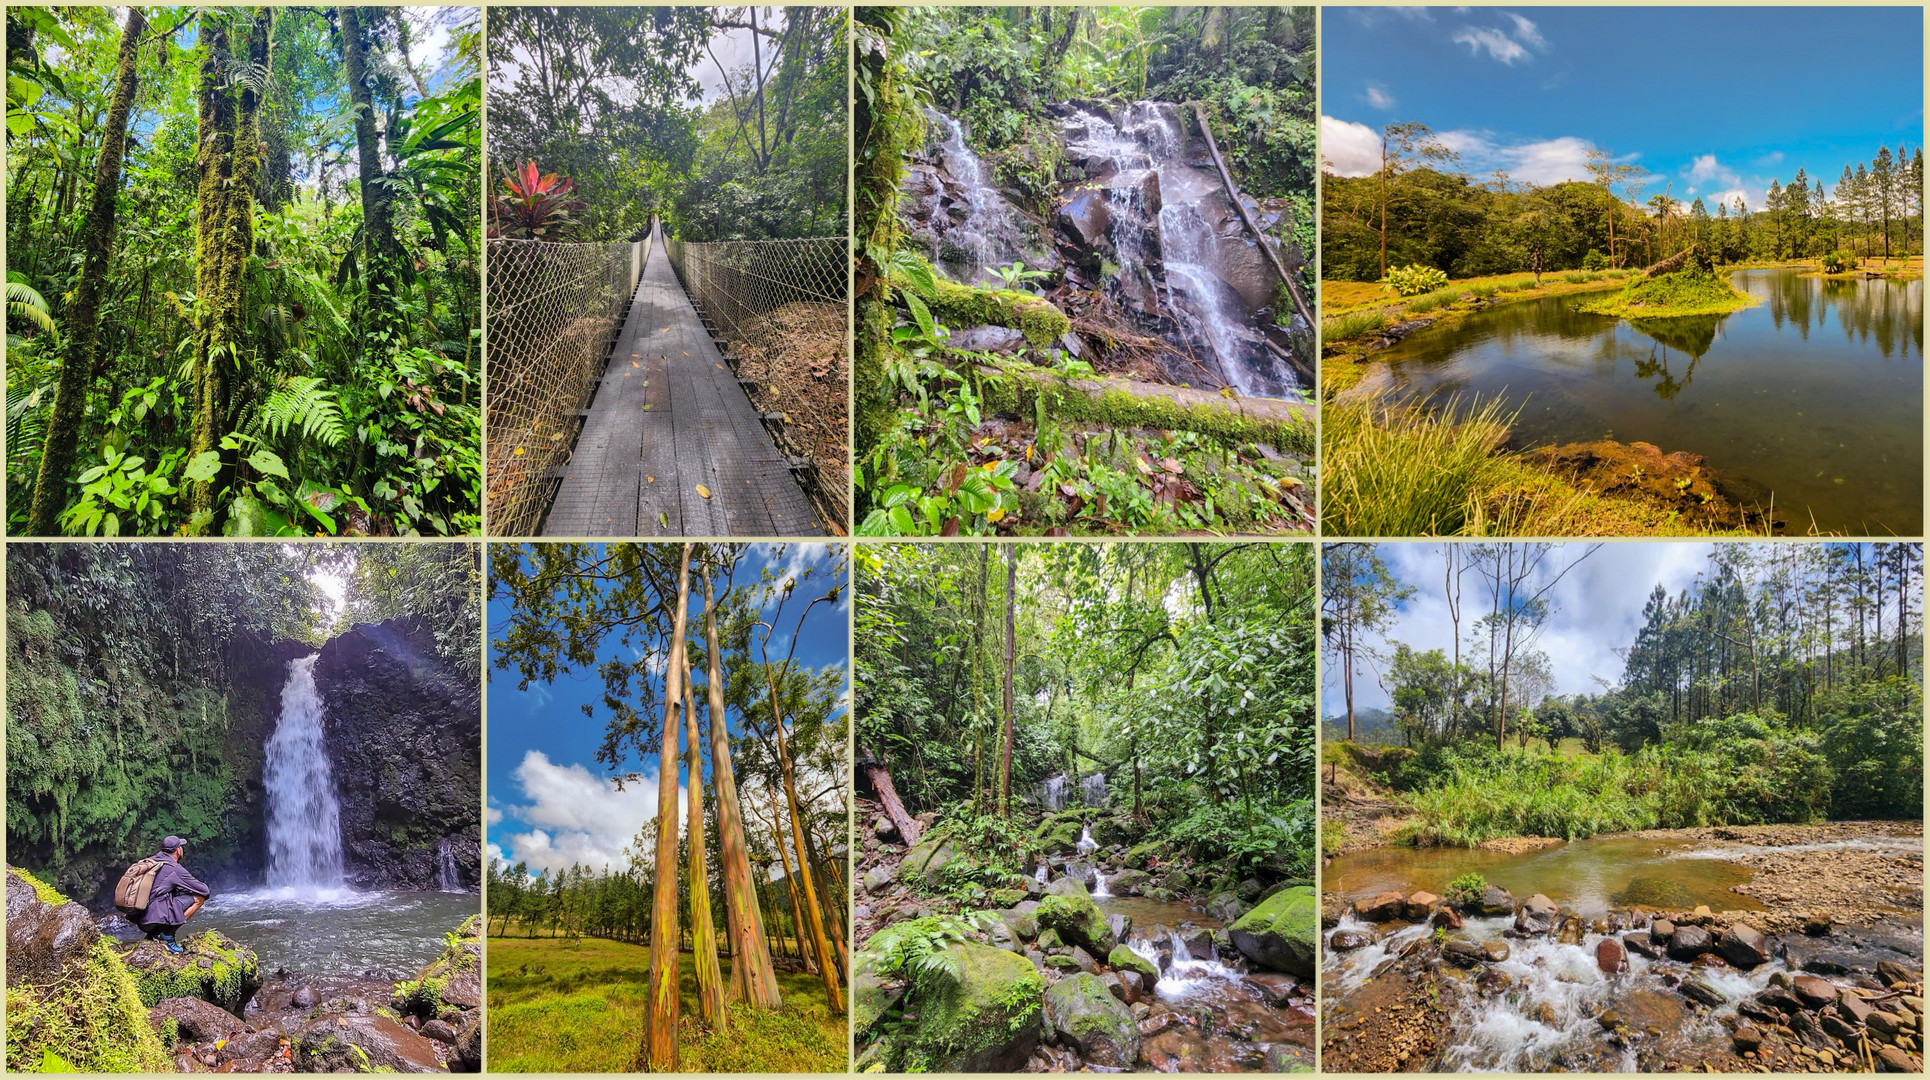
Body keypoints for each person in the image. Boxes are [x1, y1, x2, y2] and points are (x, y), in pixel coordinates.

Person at [137, 835, 211, 953]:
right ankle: (168, 935)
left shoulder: (152, 861)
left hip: (141, 918)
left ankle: (153, 935)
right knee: (199, 898)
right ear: (178, 850)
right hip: (154, 919)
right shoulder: (174, 868)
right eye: (181, 847)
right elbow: (204, 891)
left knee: (164, 898)